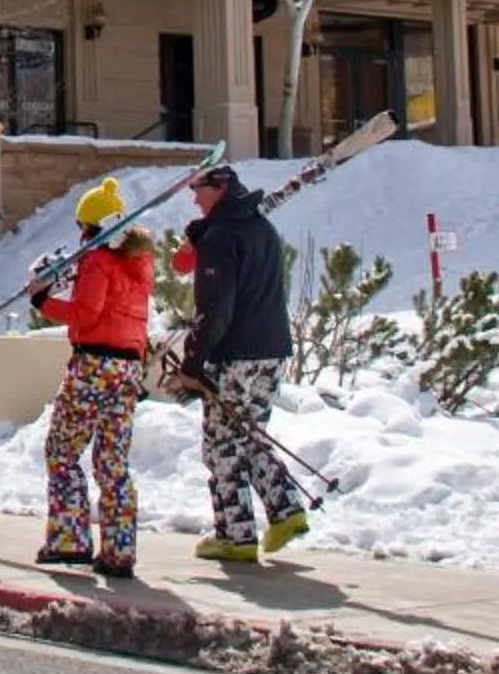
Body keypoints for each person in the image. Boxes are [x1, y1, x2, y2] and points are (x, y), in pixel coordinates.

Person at [178, 166, 310, 562]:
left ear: (218, 189)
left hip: (235, 352)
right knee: (247, 434)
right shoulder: (260, 228)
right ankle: (286, 510)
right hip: (272, 348)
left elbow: (214, 307)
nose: (193, 198)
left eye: (197, 189)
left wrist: (194, 360)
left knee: (221, 444)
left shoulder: (221, 238)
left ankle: (235, 535)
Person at [27, 177, 157, 577]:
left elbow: (87, 314)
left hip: (93, 367)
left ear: (91, 226)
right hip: (128, 367)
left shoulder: (97, 260)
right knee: (112, 460)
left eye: (81, 226)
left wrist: (43, 302)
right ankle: (120, 548)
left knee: (62, 451)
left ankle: (69, 539)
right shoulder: (139, 263)